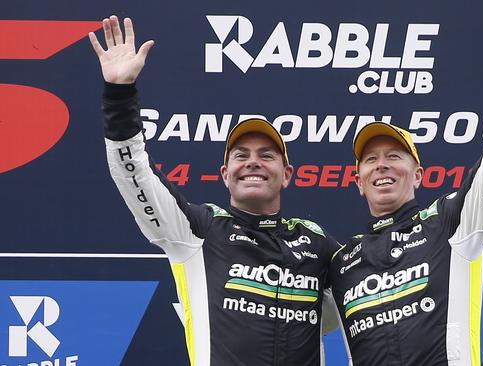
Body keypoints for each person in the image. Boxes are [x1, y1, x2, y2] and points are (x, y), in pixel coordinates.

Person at [89, 16, 340, 366]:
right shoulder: (199, 230)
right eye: (241, 156)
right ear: (226, 174)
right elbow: (136, 176)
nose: (253, 163)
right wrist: (119, 96)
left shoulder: (317, 242)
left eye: (266, 156)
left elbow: (375, 301)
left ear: (286, 175)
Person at [328, 2, 483, 365]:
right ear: (358, 181)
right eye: (371, 159)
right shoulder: (341, 262)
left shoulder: (452, 222)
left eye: (394, 157)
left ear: (419, 175)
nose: (382, 166)